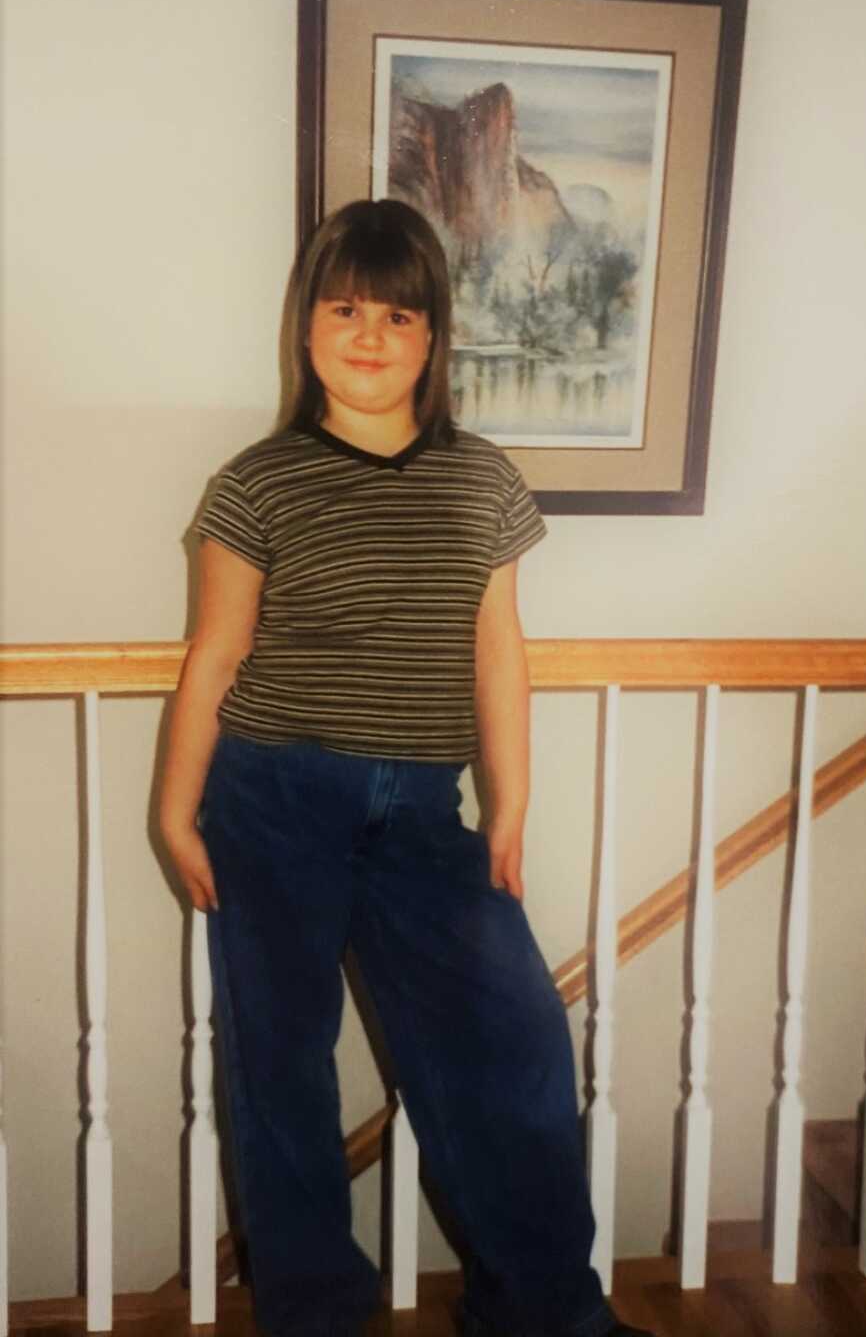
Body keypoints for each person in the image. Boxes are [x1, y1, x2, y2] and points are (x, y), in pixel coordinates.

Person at [158, 199, 652, 1337]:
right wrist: (176, 808)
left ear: (435, 337)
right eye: (344, 309)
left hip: (429, 812)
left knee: (517, 1045)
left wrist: (513, 800)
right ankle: (317, 1313)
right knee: (279, 1072)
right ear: (307, 328)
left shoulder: (482, 481)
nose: (369, 334)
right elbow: (215, 654)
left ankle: (545, 1313)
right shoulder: (258, 480)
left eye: (398, 312)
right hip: (273, 798)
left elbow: (498, 649)